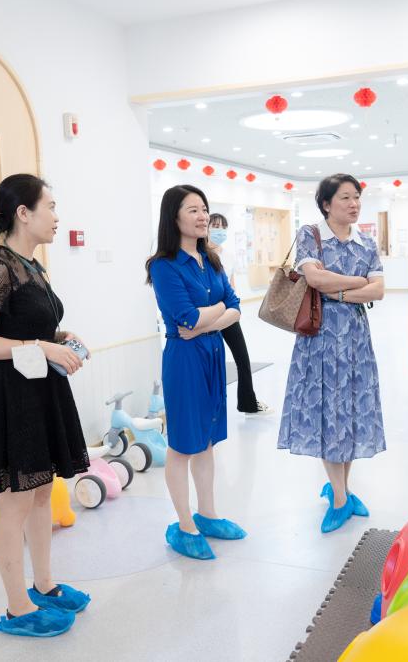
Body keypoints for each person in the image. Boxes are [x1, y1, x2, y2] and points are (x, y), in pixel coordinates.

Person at [0, 173, 90, 637]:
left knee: (40, 492)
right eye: (50, 206)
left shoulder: (31, 265)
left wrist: (58, 336)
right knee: (15, 502)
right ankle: (17, 609)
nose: (56, 216)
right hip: (12, 397)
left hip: (40, 390)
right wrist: (41, 344)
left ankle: (44, 585)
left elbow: (20, 327)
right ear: (23, 213)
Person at [277, 174, 386, 533]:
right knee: (327, 412)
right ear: (326, 204)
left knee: (350, 410)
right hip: (319, 338)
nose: (354, 204)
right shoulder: (311, 235)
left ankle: (342, 489)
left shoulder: (366, 242)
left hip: (355, 340)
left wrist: (337, 290)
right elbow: (315, 279)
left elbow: (379, 291)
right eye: (345, 198)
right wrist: (358, 283)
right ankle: (340, 498)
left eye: (356, 197)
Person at [147, 185, 247, 561]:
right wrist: (216, 312)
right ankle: (185, 524)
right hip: (184, 359)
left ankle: (208, 514)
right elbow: (186, 317)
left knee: (206, 442)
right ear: (173, 218)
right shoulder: (163, 265)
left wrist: (210, 318)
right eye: (193, 210)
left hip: (211, 352)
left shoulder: (211, 259)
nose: (203, 216)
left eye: (204, 208)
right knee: (182, 445)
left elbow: (235, 307)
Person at [207, 212, 272, 416]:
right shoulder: (200, 254)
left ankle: (248, 403)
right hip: (206, 315)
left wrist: (233, 307)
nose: (219, 231)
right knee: (210, 362)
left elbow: (231, 284)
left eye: (222, 227)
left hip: (227, 313)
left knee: (242, 358)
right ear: (206, 228)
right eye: (215, 226)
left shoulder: (228, 256)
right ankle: (209, 407)